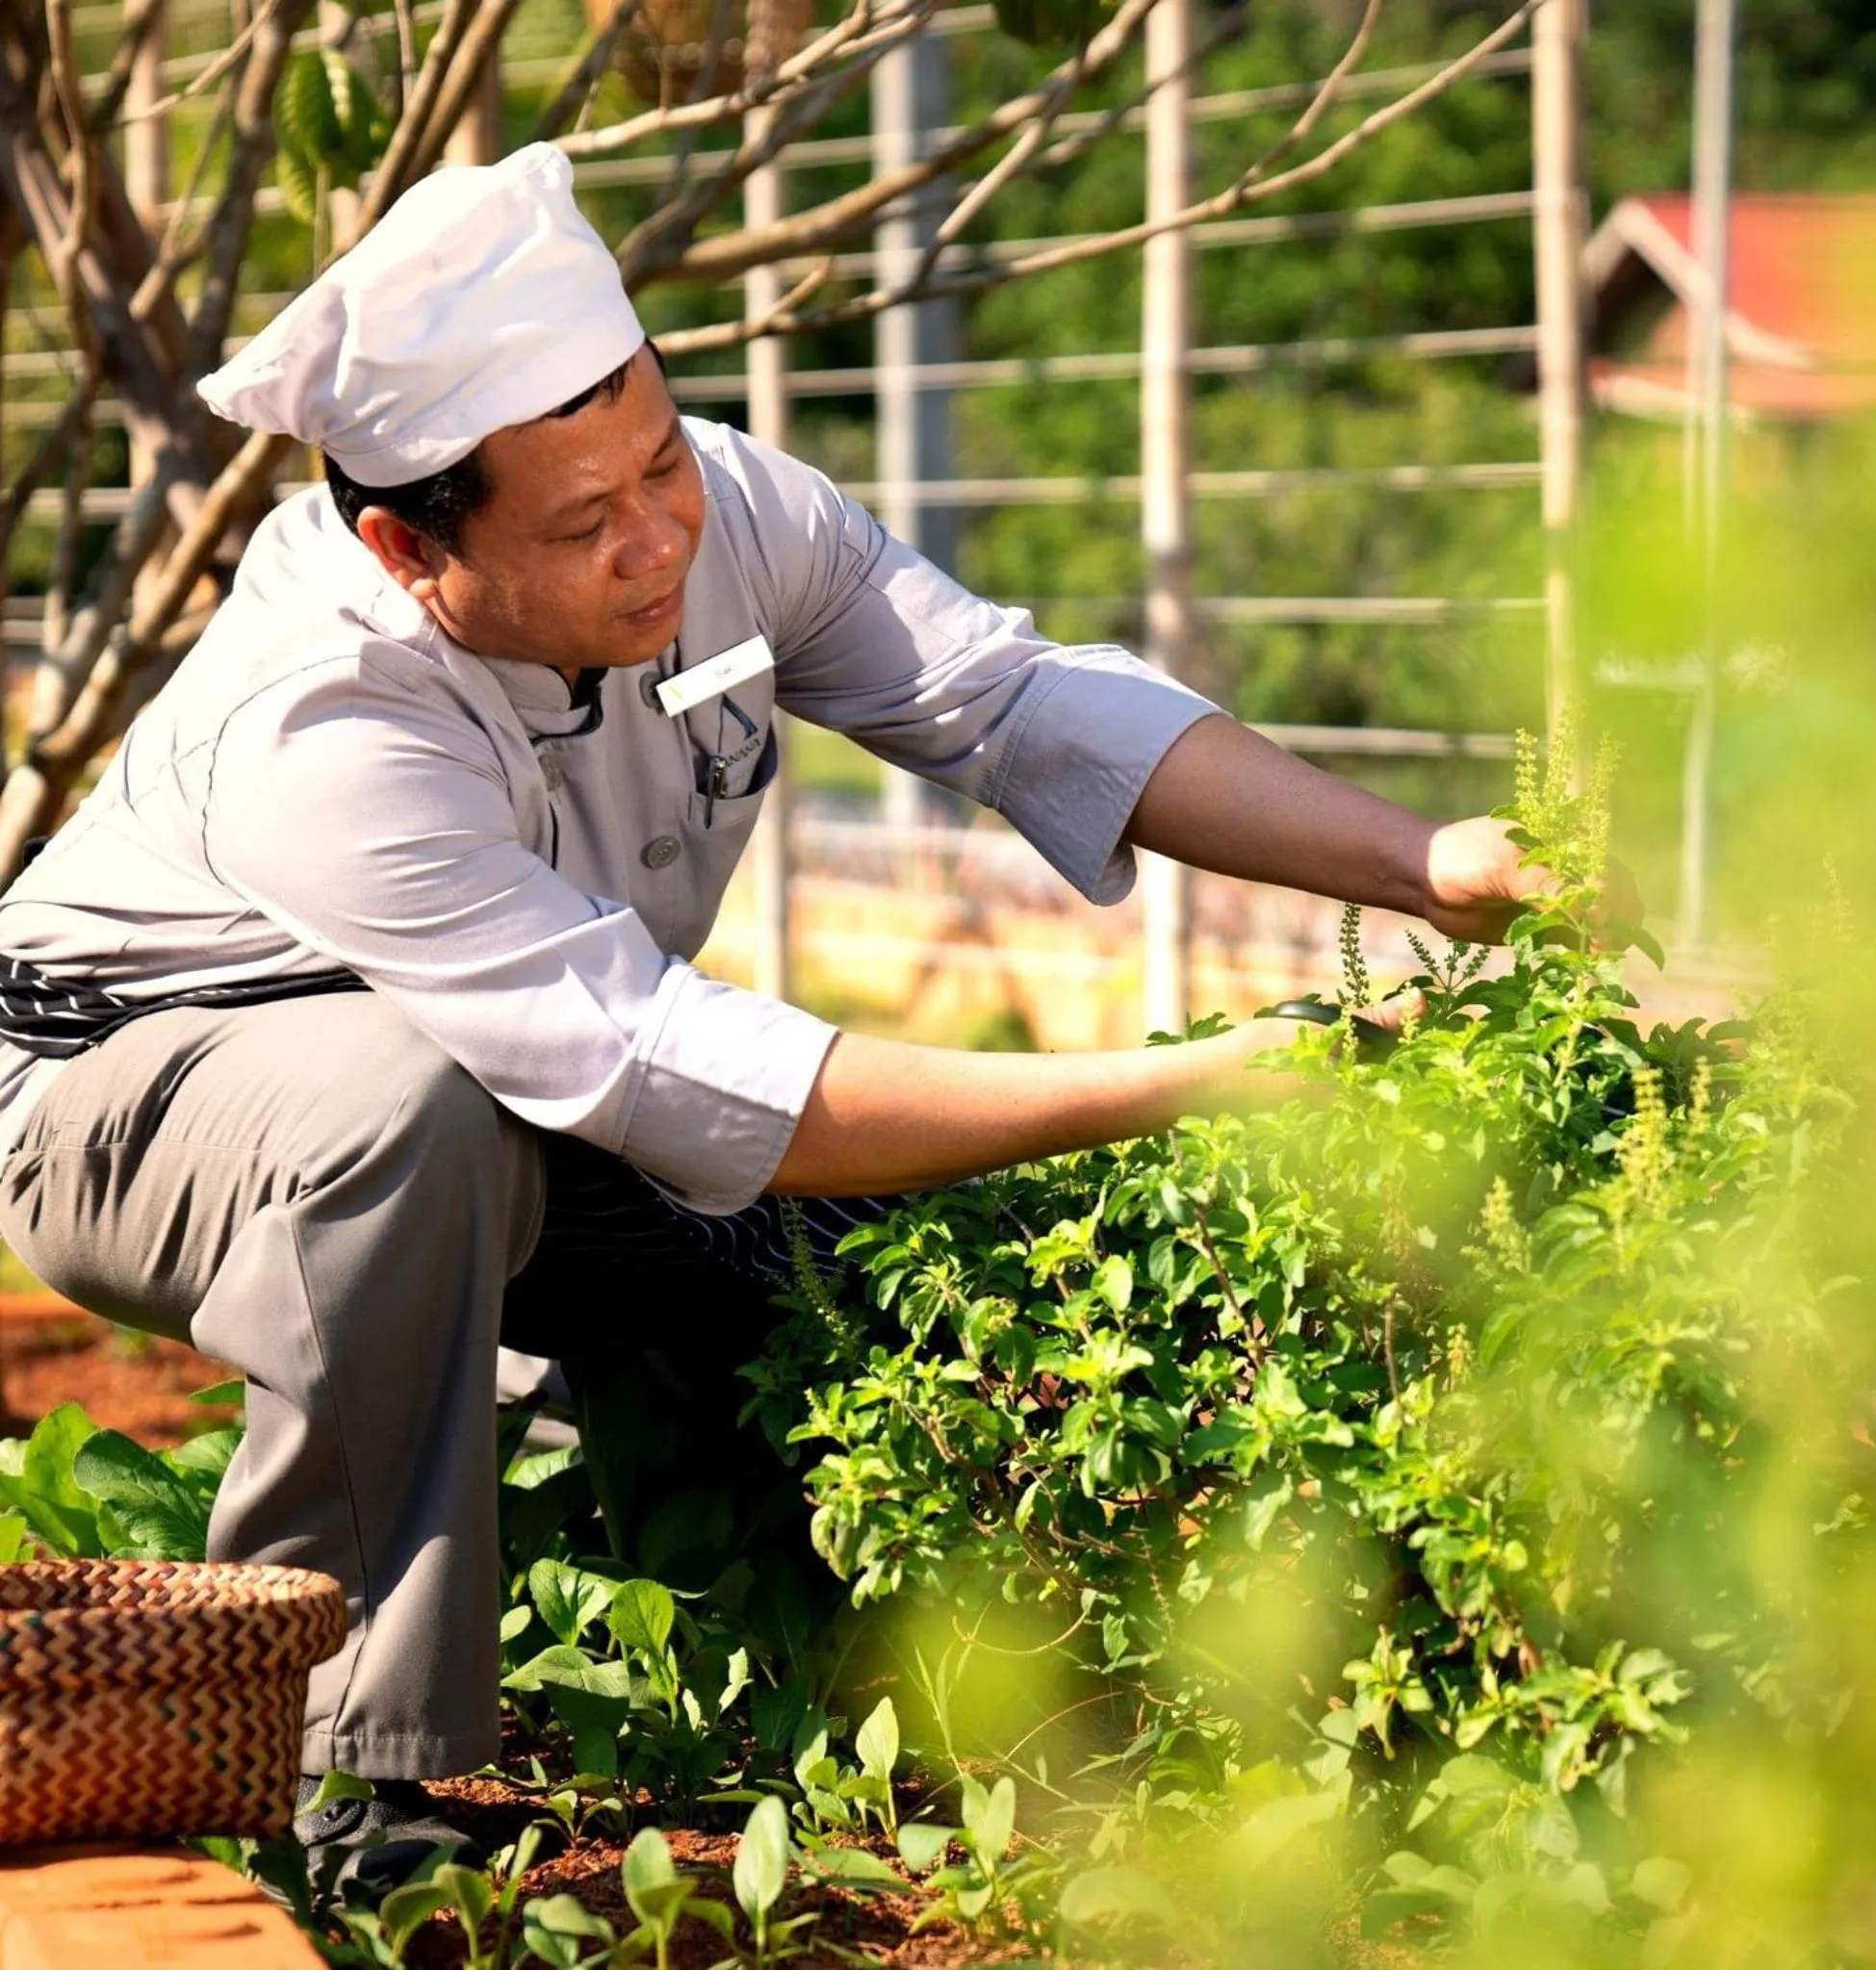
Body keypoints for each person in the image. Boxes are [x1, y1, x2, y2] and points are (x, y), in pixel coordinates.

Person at [0, 145, 1545, 1877]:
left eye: (658, 458)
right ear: (402, 543)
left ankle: (840, 1641)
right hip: (122, 1078)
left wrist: (1424, 860)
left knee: (878, 1242)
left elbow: (1012, 696)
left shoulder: (725, 506)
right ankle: (333, 1770)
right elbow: (675, 1074)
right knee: (409, 1108)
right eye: (584, 523)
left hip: (531, 1050)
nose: (661, 534)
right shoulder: (324, 721)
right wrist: (1182, 1082)